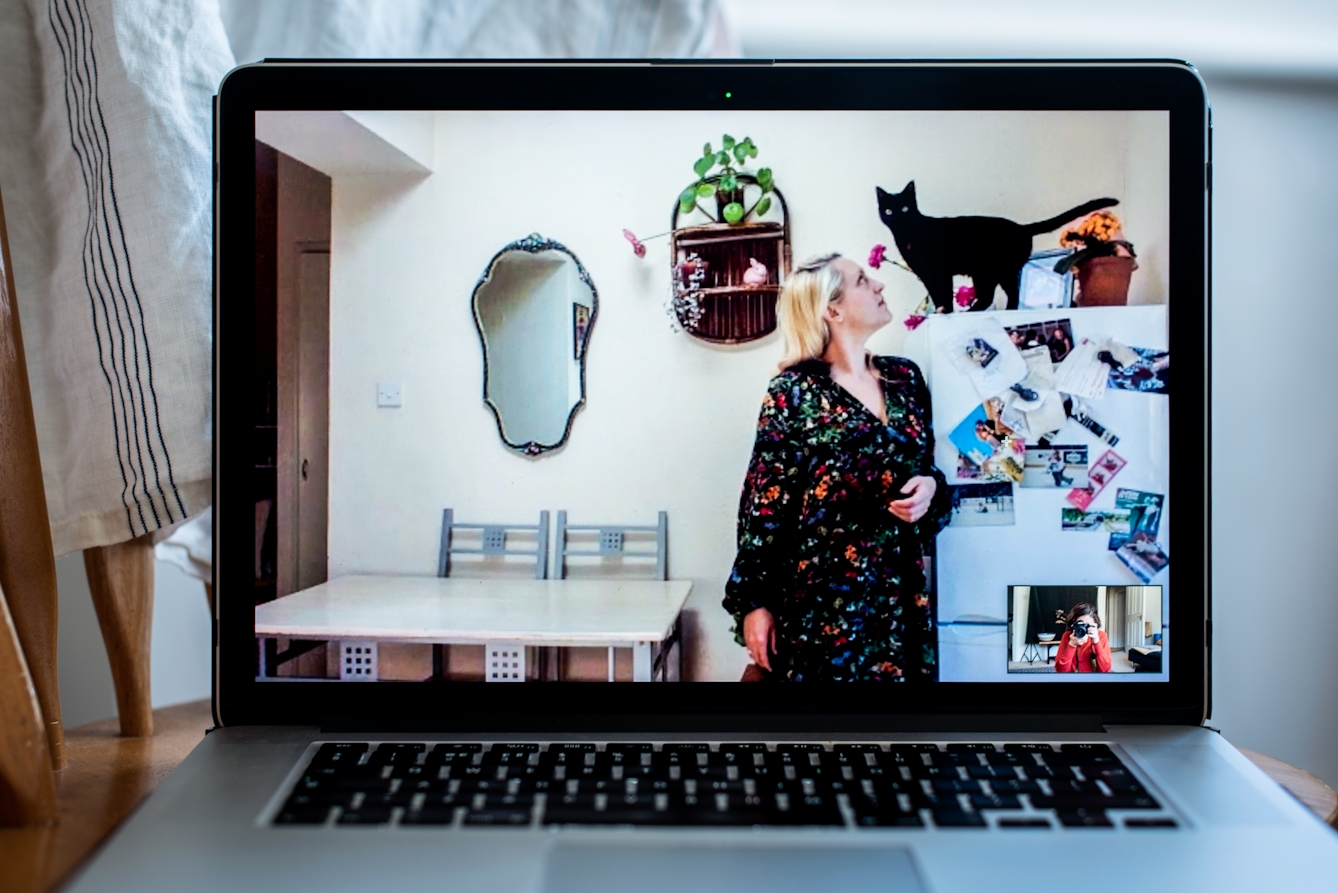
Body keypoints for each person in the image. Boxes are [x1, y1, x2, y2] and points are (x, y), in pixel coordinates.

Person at [721, 253, 952, 681]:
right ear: (832, 309)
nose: (880, 285)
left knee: (894, 742)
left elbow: (929, 475)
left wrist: (931, 490)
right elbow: (764, 507)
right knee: (821, 740)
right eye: (864, 281)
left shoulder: (905, 379)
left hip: (900, 603)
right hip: (820, 608)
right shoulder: (793, 393)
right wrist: (754, 604)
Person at [1053, 603, 1112, 673]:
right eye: (1081, 624)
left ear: (1095, 624)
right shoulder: (1067, 636)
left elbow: (1105, 671)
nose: (1084, 628)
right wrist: (1071, 645)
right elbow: (1060, 672)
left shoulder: (1101, 636)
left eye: (1088, 625)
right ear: (1073, 624)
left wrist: (1096, 642)